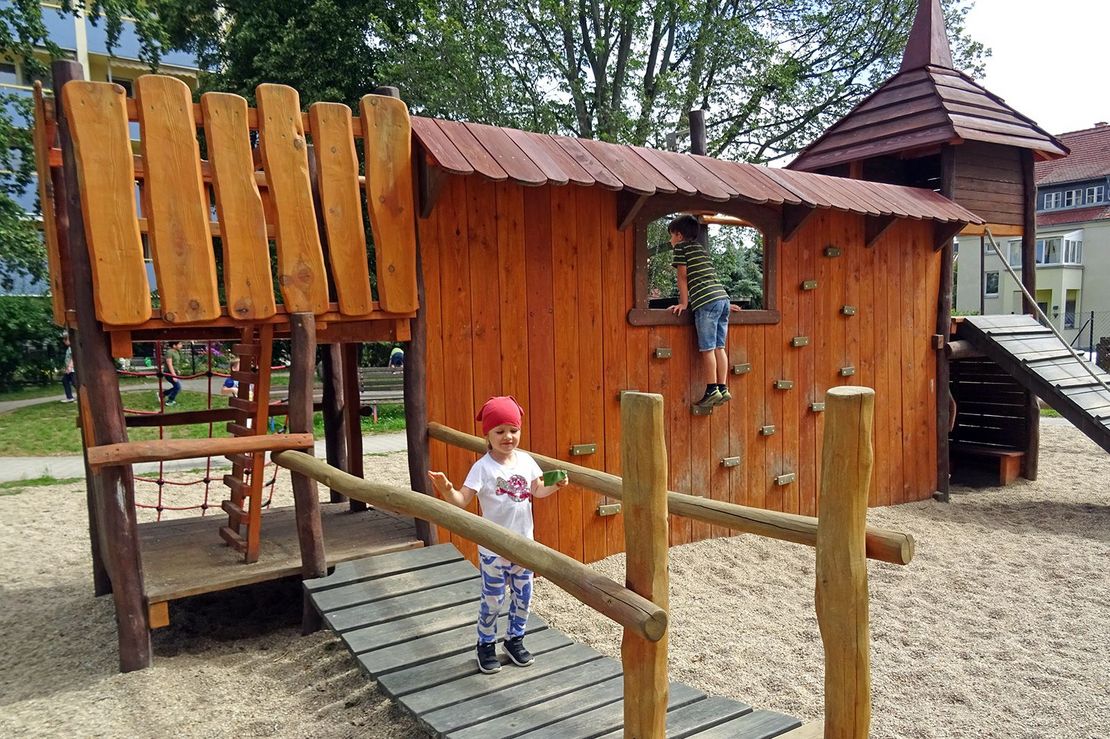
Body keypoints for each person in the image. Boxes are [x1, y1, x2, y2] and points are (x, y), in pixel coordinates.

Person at [427, 396, 568, 675]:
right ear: (488, 435)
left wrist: (557, 484)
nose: (508, 437)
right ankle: (486, 644)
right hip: (493, 550)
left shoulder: (526, 461)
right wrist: (446, 489)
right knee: (493, 599)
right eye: (499, 431)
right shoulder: (483, 468)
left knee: (523, 596)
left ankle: (515, 640)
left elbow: (537, 490)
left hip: (523, 546)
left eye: (513, 430)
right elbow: (461, 501)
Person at [667, 214, 741, 409]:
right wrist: (725, 302)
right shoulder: (700, 249)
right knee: (719, 347)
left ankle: (711, 389)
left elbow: (682, 277)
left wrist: (683, 303)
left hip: (707, 302)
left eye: (671, 236)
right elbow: (710, 276)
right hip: (721, 299)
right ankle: (723, 388)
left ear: (679, 236)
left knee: (707, 348)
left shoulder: (681, 249)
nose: (670, 240)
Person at [163, 340, 184, 406]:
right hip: (169, 373)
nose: (181, 345)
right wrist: (173, 375)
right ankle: (170, 401)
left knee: (177, 387)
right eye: (180, 344)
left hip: (174, 372)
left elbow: (176, 363)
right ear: (174, 345)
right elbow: (169, 364)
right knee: (178, 387)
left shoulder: (177, 352)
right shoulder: (169, 352)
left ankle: (163, 394)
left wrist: (177, 370)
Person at [60, 334, 75, 403]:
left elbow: (73, 357)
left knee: (75, 382)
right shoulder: (69, 348)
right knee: (65, 380)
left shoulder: (72, 347)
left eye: (65, 340)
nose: (64, 341)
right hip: (70, 369)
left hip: (73, 369)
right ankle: (69, 397)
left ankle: (84, 396)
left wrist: (70, 367)